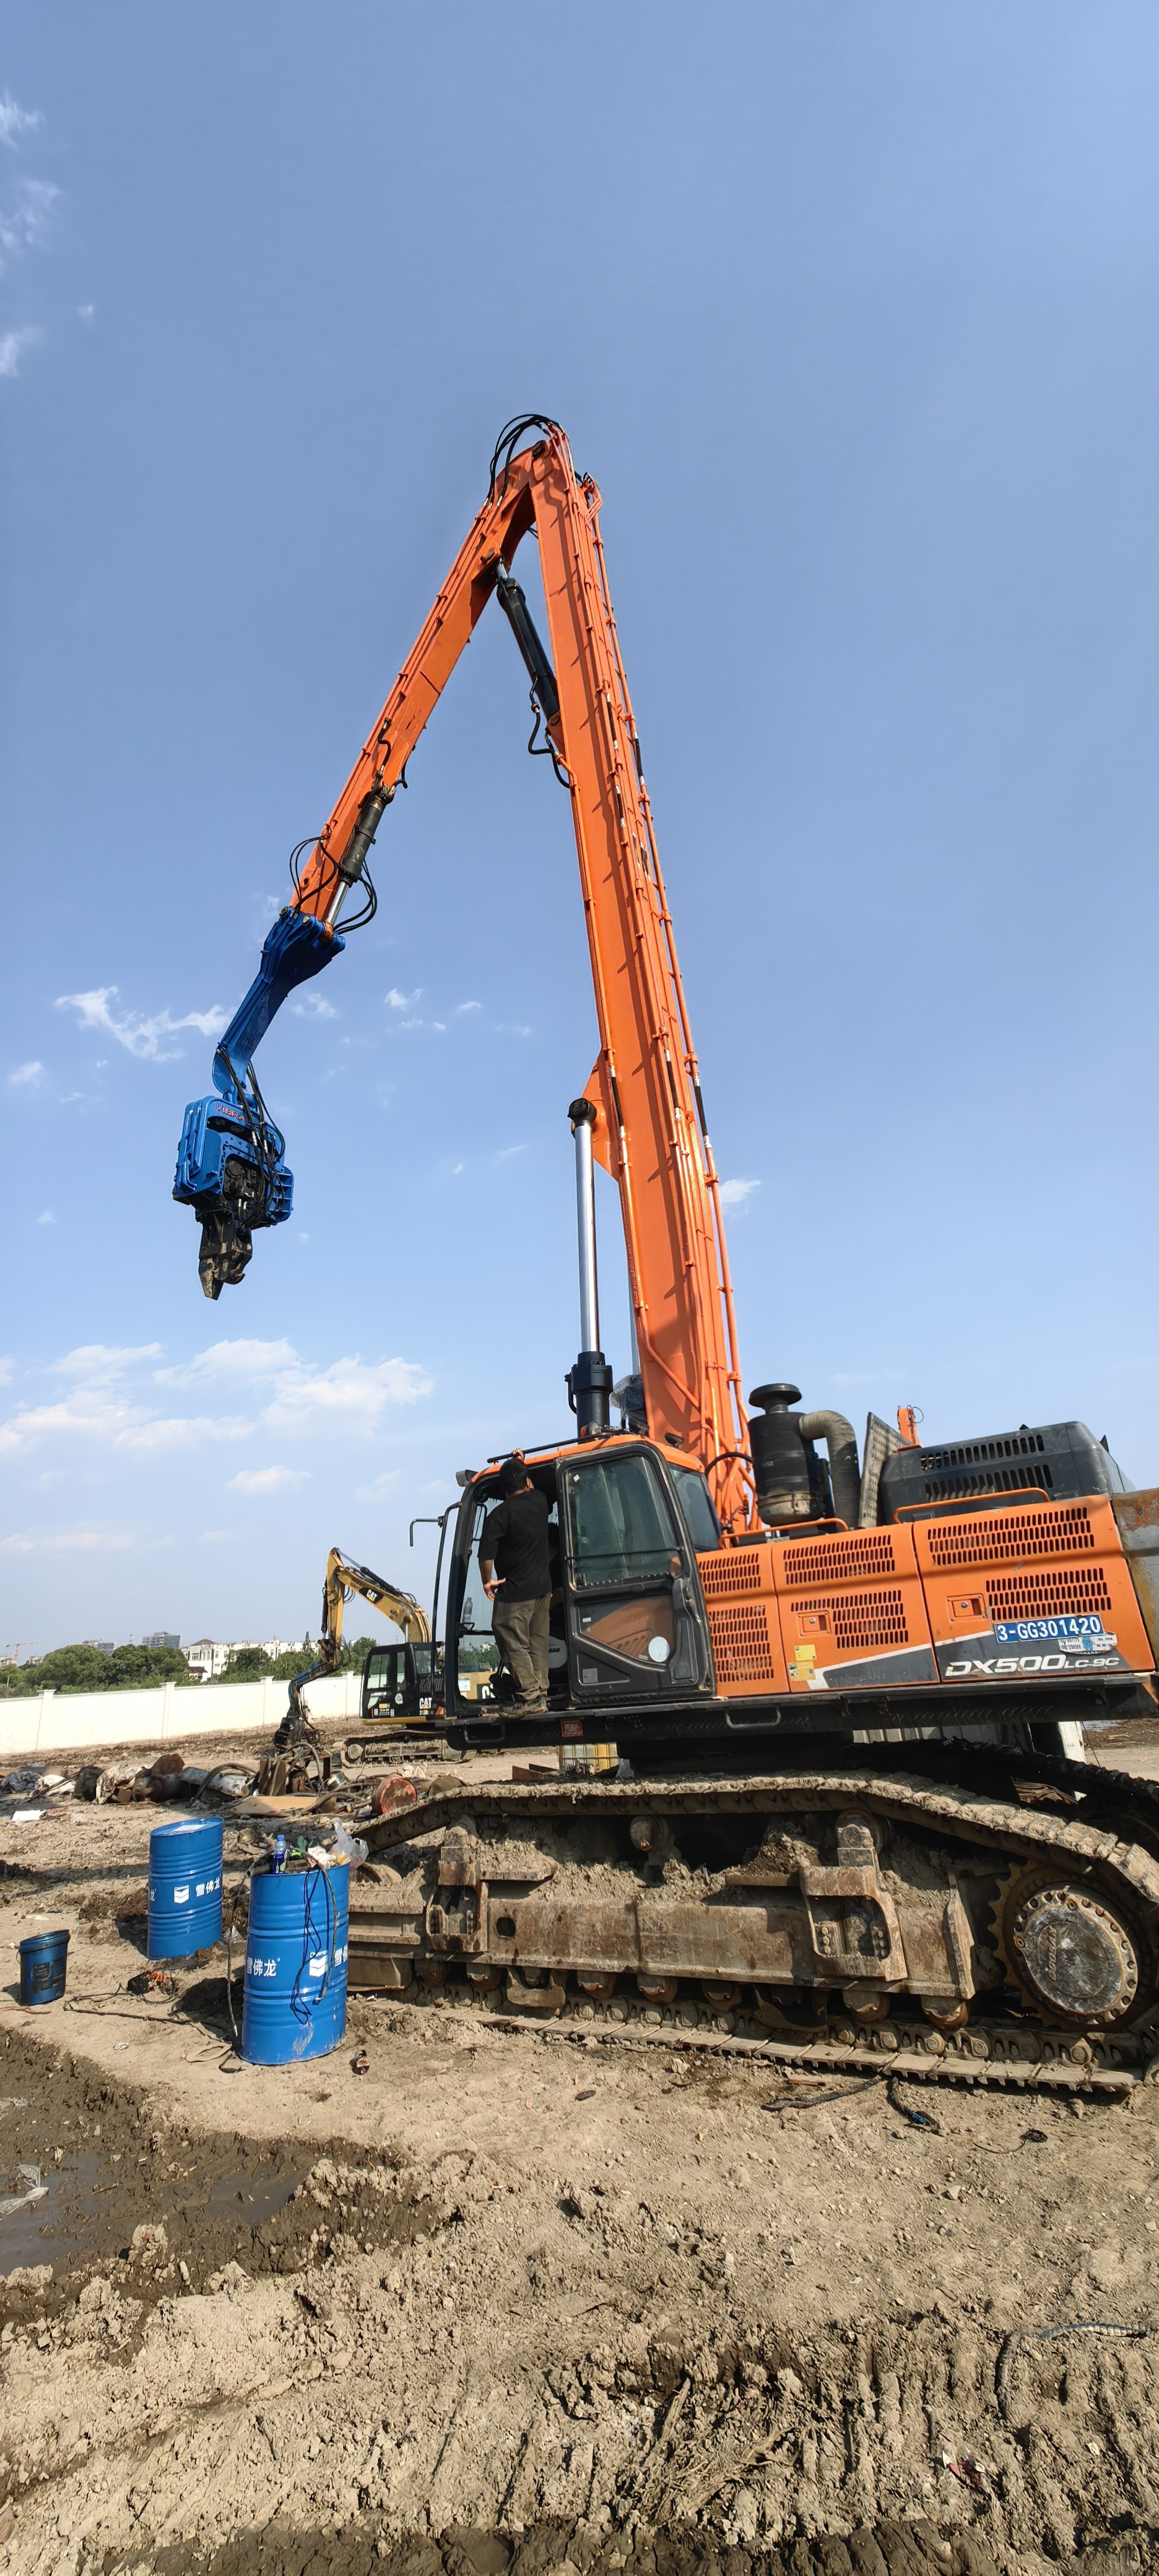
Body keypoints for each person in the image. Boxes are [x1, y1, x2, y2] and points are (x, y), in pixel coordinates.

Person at [480, 1455, 552, 1713]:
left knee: (509, 1636)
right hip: (543, 1590)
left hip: (516, 1593)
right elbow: (530, 1486)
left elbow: (485, 1556)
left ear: (503, 1487)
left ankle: (530, 1697)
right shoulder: (540, 1501)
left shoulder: (499, 1516)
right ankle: (540, 1692)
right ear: (526, 1481)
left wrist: (487, 1582)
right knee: (537, 1642)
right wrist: (521, 1463)